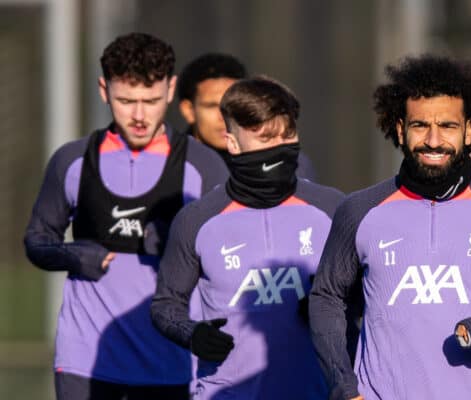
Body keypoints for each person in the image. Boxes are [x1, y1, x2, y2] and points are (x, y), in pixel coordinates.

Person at [308, 54, 471, 400]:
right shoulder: (358, 211)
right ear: (401, 129)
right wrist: (343, 386)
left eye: (448, 126)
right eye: (420, 126)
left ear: (469, 131)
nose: (434, 140)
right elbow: (326, 298)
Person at [24, 32, 228, 400]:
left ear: (171, 89)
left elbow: (232, 254)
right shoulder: (72, 161)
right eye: (125, 100)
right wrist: (74, 254)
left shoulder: (203, 166)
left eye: (150, 101)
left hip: (173, 363)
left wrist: (177, 244)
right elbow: (37, 242)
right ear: (104, 90)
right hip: (85, 363)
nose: (138, 115)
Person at [151, 76, 343, 399]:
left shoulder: (334, 209)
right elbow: (166, 305)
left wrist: (332, 307)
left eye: (288, 135)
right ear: (233, 143)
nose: (280, 148)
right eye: (266, 138)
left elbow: (372, 292)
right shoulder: (198, 220)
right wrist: (193, 334)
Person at [177, 52, 318, 180]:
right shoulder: (169, 166)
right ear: (188, 110)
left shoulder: (291, 164)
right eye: (212, 106)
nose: (224, 117)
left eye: (233, 106)